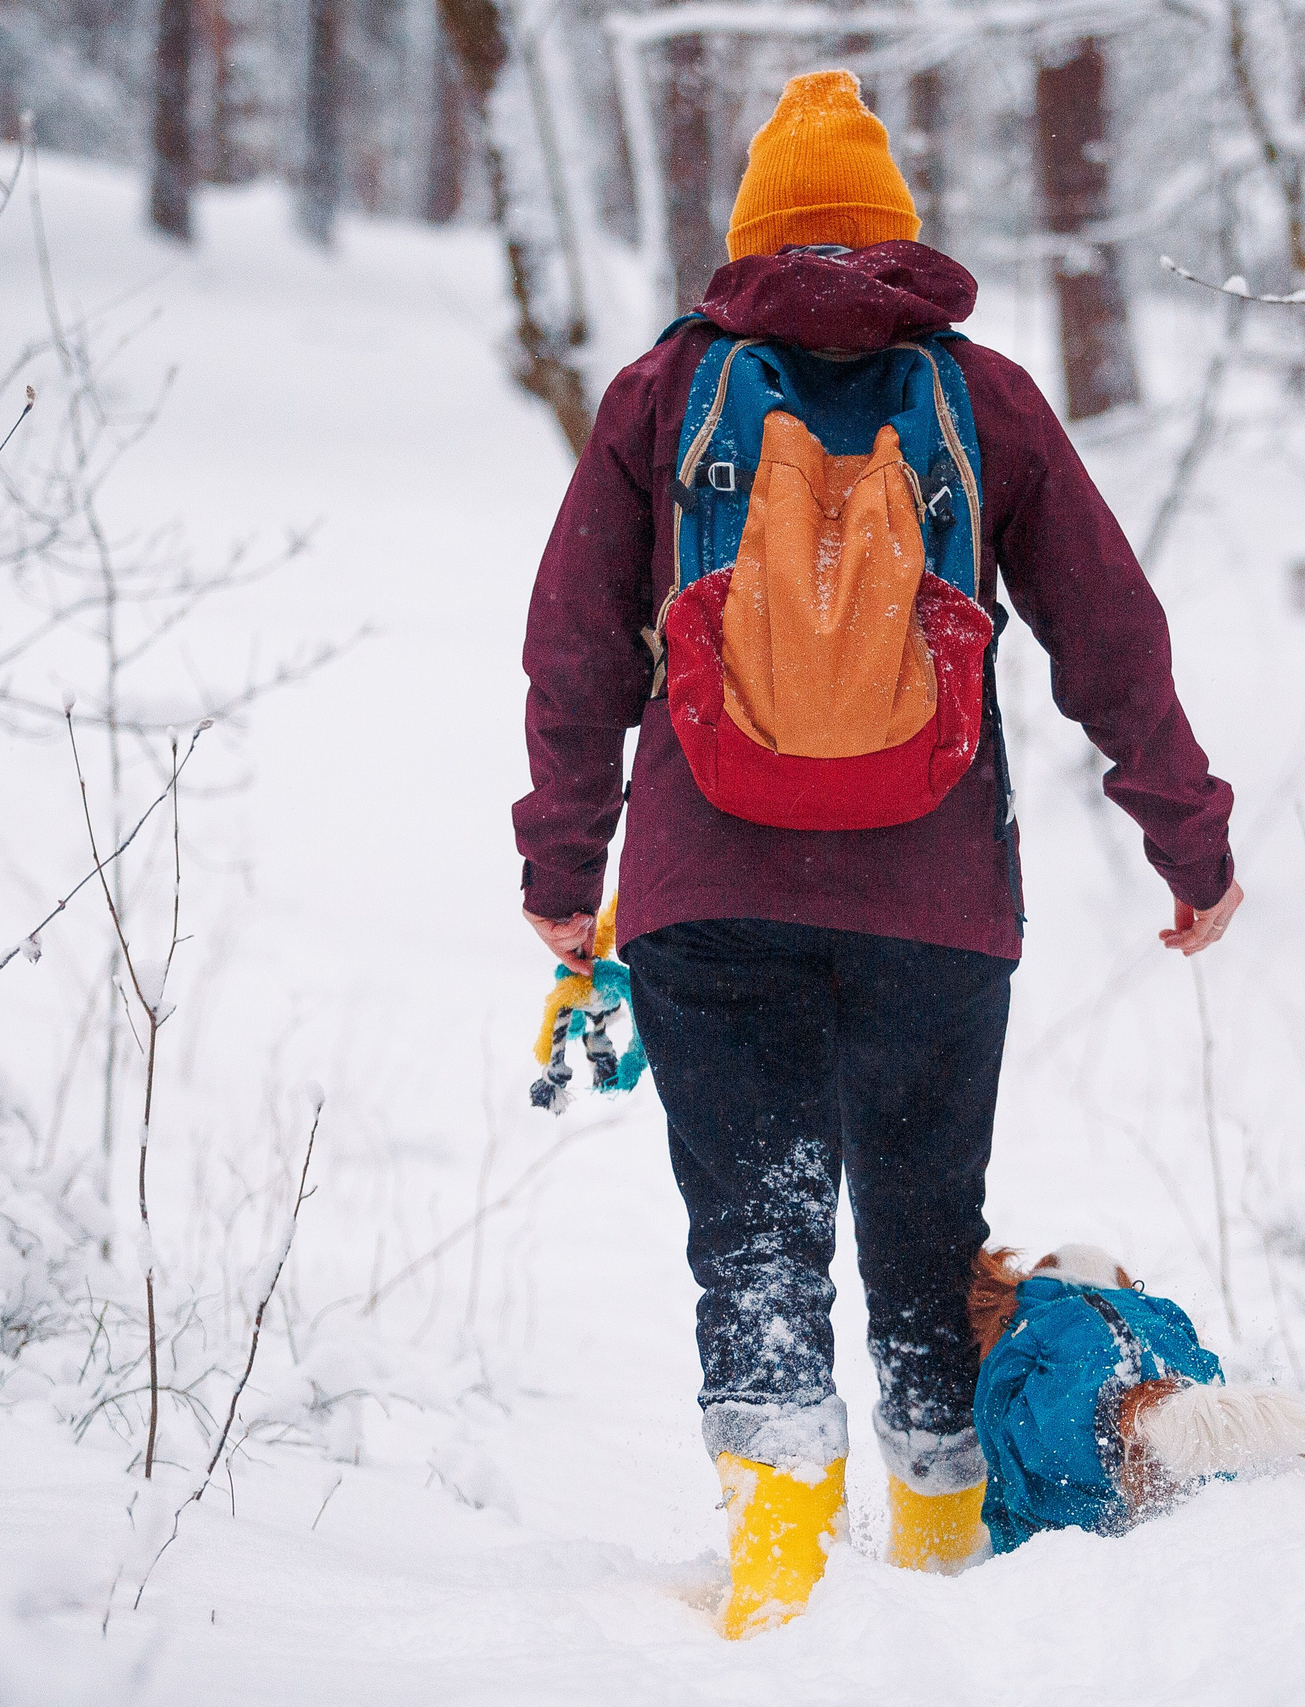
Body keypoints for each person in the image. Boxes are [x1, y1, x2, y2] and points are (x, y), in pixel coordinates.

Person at [513, 69, 1243, 1638]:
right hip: (937, 899)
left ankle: (778, 1580)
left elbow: (577, 650)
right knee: (923, 1231)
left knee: (756, 1237)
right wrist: (1188, 833)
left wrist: (565, 871)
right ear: (898, 234)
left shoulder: (664, 391)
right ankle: (937, 1568)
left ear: (752, 232)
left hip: (708, 891)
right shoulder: (978, 395)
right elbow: (1107, 629)